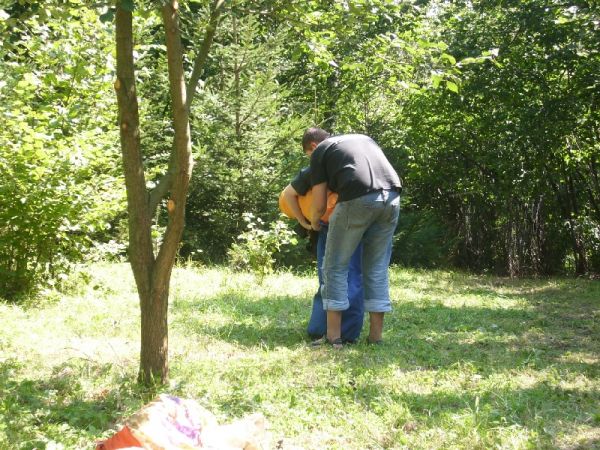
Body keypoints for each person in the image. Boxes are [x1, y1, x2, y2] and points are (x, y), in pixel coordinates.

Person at [305, 128, 401, 348]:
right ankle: (375, 338)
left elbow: (319, 205)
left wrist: (312, 223)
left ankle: (333, 338)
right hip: (392, 196)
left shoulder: (320, 151)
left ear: (311, 147)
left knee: (334, 267)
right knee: (376, 268)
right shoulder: (362, 139)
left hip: (357, 198)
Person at [279, 167, 364, 342]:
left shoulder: (320, 163)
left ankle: (320, 330)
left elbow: (288, 194)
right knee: (352, 276)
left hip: (329, 223)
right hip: (352, 220)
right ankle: (344, 334)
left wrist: (306, 221)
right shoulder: (354, 168)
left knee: (328, 277)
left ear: (314, 147)